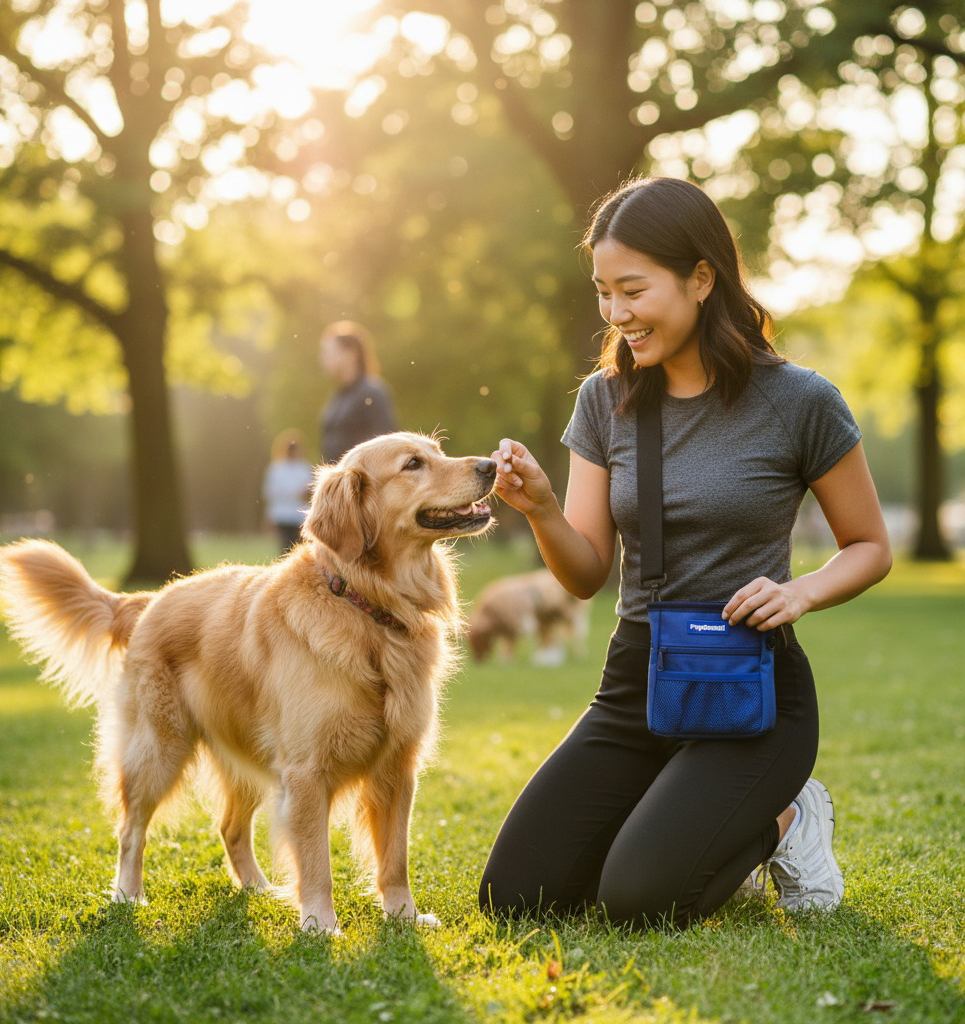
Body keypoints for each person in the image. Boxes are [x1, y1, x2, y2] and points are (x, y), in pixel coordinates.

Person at [479, 177, 892, 930]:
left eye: (633, 290)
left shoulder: (801, 401)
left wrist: (801, 592)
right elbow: (584, 576)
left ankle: (786, 822)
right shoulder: (605, 402)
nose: (616, 314)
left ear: (702, 278)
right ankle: (684, 815)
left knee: (637, 901)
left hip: (753, 690)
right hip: (638, 679)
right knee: (516, 896)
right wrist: (540, 507)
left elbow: (869, 546)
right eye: (604, 292)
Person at [318, 320, 398, 463]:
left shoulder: (373, 392)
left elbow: (387, 446)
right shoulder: (338, 396)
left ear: (351, 353)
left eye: (329, 352)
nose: (322, 359)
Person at [262, 429, 314, 555]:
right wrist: (295, 493)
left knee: (298, 550)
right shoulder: (277, 468)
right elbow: (270, 493)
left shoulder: (304, 467)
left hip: (299, 516)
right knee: (285, 549)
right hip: (282, 516)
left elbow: (309, 489)